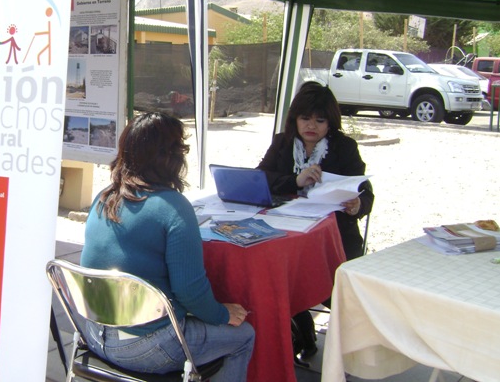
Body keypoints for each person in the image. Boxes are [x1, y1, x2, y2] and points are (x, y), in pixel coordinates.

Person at [80, 112, 255, 381]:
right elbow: (190, 292)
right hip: (144, 346)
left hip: (92, 333)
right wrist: (222, 314)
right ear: (172, 157)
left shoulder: (104, 198)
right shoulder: (173, 208)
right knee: (243, 336)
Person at [257, 83, 374, 360]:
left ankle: (336, 341)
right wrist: (295, 181)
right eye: (305, 118)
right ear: (294, 119)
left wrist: (358, 204)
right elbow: (260, 178)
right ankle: (299, 329)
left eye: (320, 120)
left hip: (333, 236)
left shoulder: (344, 147)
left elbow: (365, 191)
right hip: (284, 230)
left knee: (317, 278)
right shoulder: (282, 142)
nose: (312, 126)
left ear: (330, 122)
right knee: (274, 271)